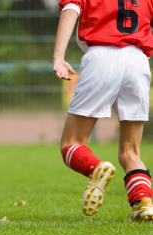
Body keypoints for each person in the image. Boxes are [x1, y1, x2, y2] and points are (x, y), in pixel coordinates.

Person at [53, 0, 153, 220]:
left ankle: (96, 168)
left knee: (71, 143)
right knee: (130, 152)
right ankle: (143, 203)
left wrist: (58, 57)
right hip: (138, 61)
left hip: (101, 57)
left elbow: (70, 11)